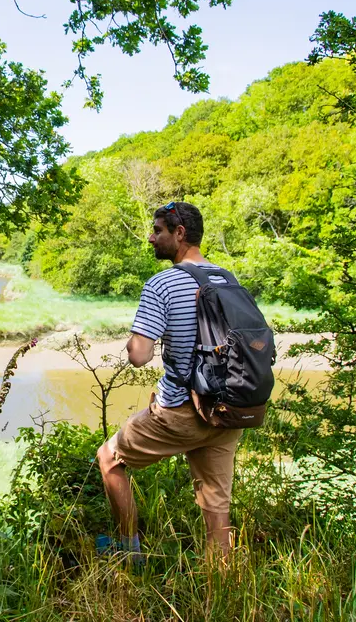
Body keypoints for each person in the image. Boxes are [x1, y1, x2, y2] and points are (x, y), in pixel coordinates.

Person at [95, 200, 243, 561]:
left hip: (183, 411)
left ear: (179, 233)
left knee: (110, 459)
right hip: (228, 410)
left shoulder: (162, 282)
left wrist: (137, 335)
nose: (150, 238)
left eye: (158, 230)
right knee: (216, 504)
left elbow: (139, 355)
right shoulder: (227, 278)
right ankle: (222, 585)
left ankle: (129, 552)